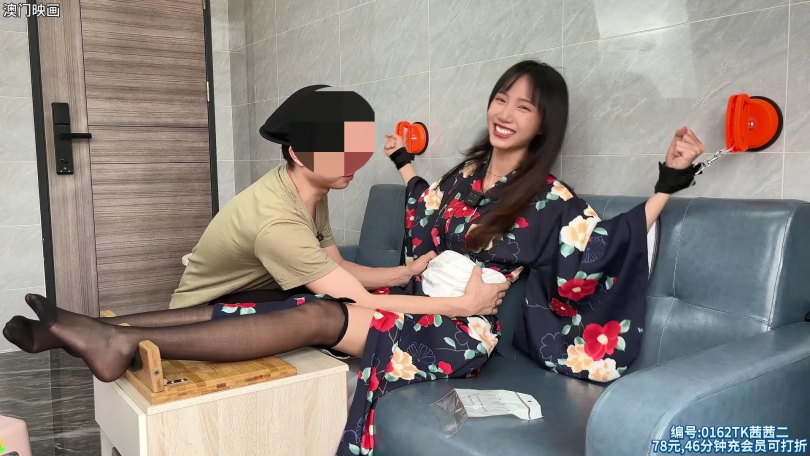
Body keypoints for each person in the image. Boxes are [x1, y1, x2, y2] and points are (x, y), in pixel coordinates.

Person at [3, 60, 706, 456]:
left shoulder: (548, 196)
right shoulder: (465, 176)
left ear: (544, 122)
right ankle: (103, 329)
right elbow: (428, 207)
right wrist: (403, 164)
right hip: (424, 304)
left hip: (459, 328)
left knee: (316, 313)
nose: (505, 112)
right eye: (500, 98)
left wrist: (667, 184)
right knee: (270, 304)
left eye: (524, 107)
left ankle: (116, 337)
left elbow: (602, 246)